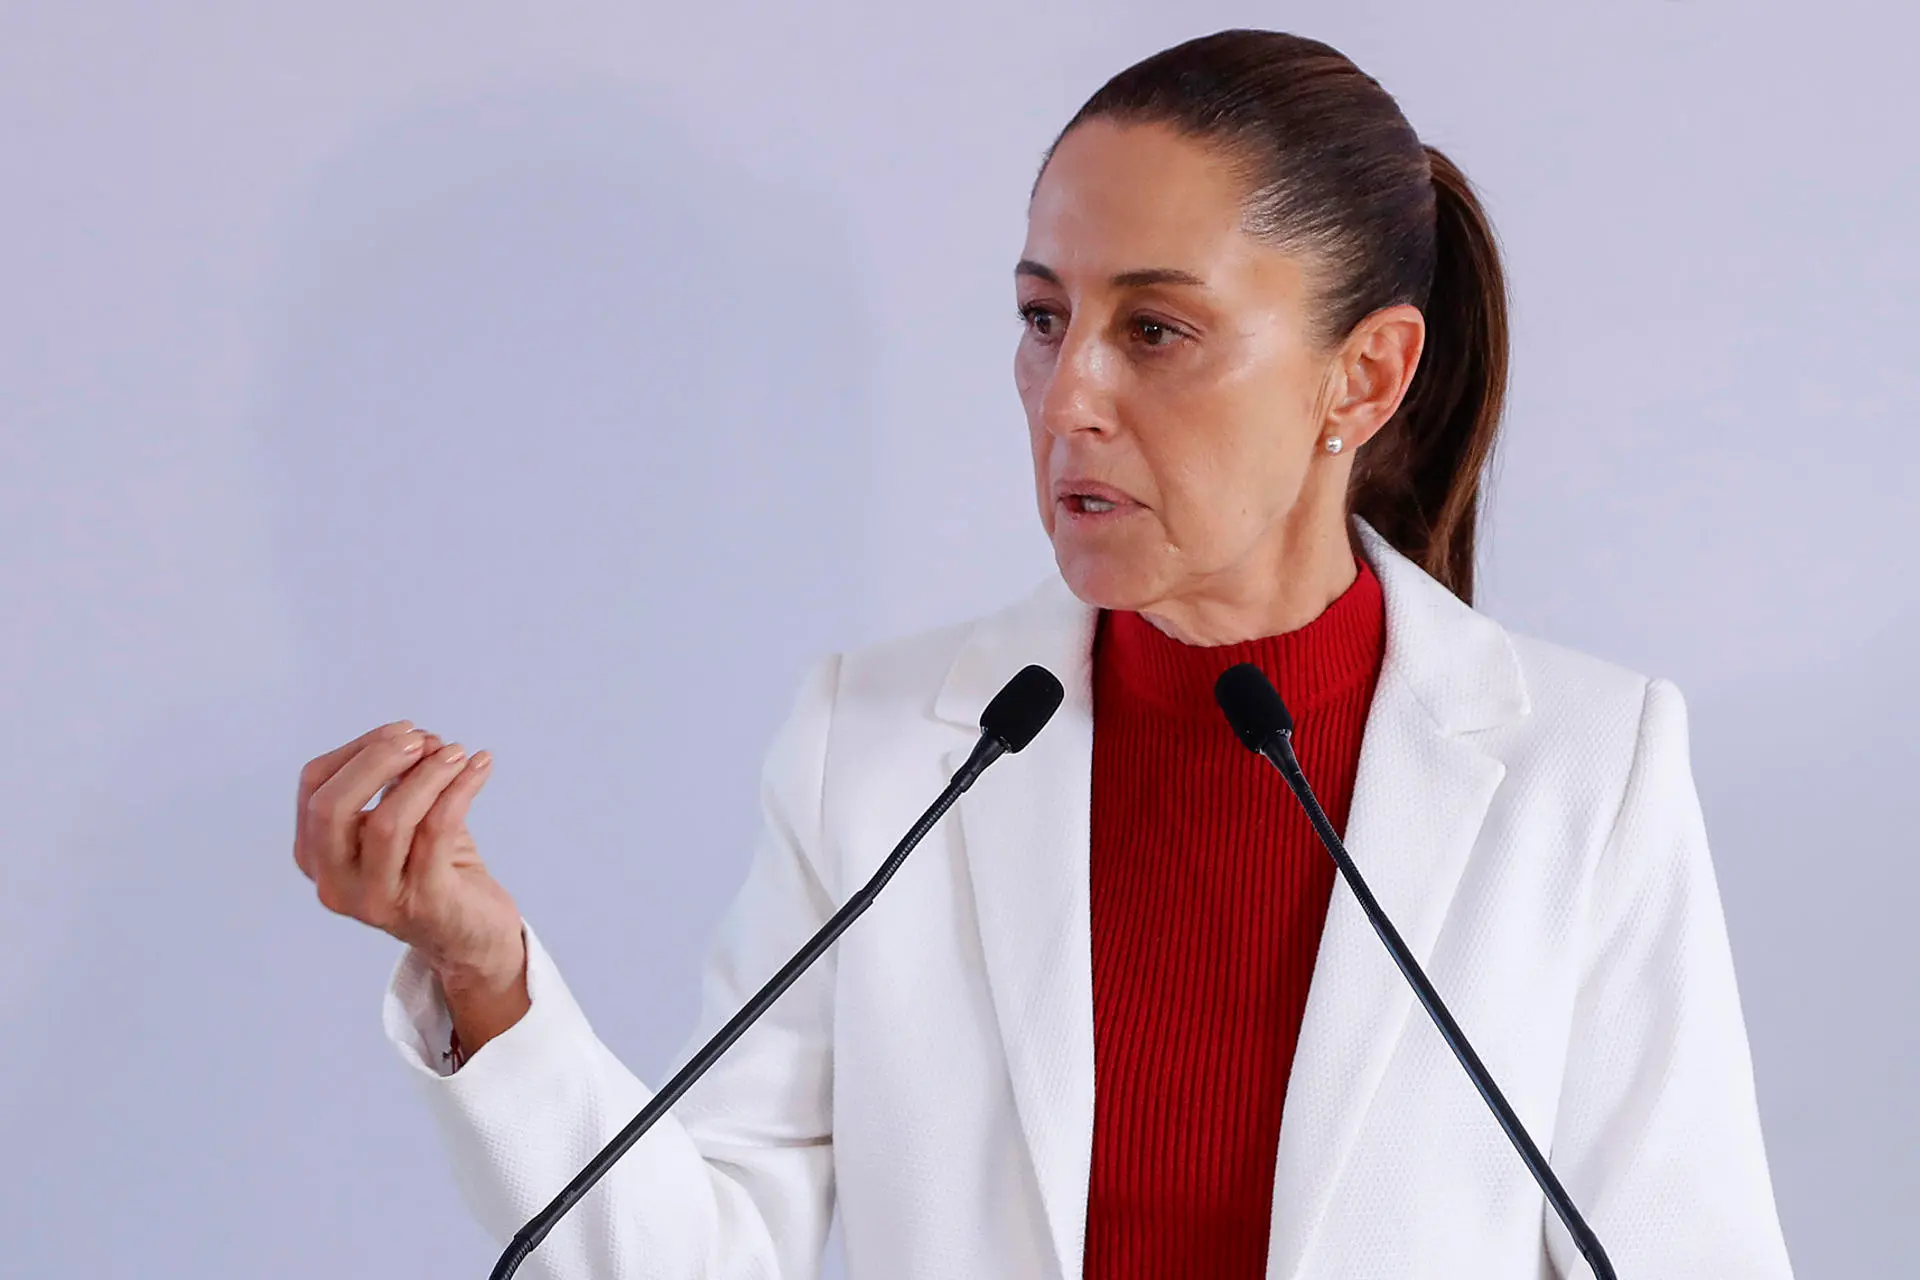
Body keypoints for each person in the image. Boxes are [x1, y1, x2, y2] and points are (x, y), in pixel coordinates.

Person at [291, 28, 1796, 1280]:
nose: (1067, 395)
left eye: (1156, 331)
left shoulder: (1586, 772)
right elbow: (708, 1253)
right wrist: (487, 980)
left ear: (1366, 374)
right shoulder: (875, 745)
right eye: (1042, 316)